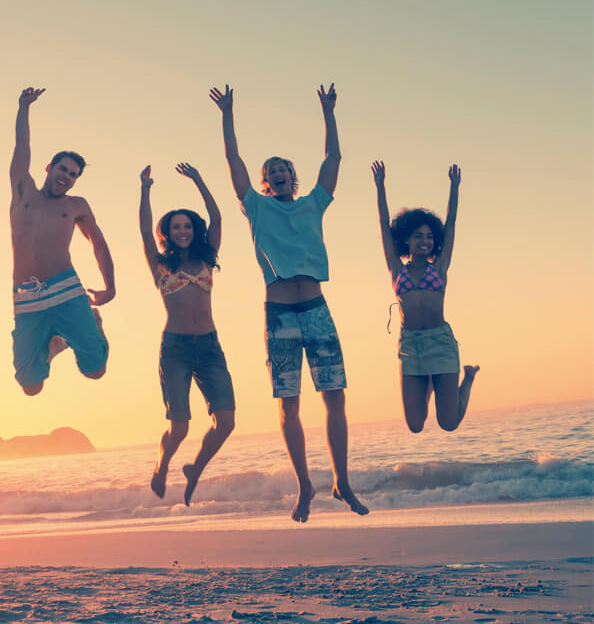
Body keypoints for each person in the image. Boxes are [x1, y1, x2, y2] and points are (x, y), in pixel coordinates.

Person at [209, 83, 367, 522]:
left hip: (316, 310)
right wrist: (228, 114)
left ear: (292, 178)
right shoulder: (255, 208)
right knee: (288, 404)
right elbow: (232, 161)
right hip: (279, 316)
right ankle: (304, 486)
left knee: (335, 397)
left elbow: (333, 161)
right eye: (270, 170)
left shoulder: (314, 203)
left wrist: (328, 111)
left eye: (283, 169)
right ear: (264, 182)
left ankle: (342, 481)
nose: (277, 173)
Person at [140, 163, 236, 506]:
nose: (182, 230)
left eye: (186, 225)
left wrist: (198, 179)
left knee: (225, 421)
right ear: (167, 232)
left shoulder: (207, 257)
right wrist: (146, 189)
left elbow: (218, 218)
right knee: (179, 426)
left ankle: (195, 468)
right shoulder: (161, 265)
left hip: (210, 347)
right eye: (175, 227)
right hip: (176, 349)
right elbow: (143, 230)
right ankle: (162, 464)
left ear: (195, 229)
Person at [9, 87, 113, 395]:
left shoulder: (76, 206)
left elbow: (99, 244)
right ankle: (55, 345)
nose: (67, 176)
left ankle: (94, 324)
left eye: (74, 174)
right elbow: (21, 146)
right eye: (63, 168)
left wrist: (110, 287)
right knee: (31, 386)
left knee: (95, 371)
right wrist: (24, 107)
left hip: (66, 289)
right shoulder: (23, 192)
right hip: (27, 295)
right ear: (49, 168)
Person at [372, 160, 479, 432]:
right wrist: (380, 186)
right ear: (406, 240)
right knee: (415, 425)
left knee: (449, 423)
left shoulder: (440, 268)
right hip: (410, 346)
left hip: (440, 342)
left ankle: (467, 379)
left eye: (430, 237)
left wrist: (454, 188)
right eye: (418, 236)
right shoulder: (396, 268)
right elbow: (384, 226)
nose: (425, 241)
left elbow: (452, 222)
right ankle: (431, 382)